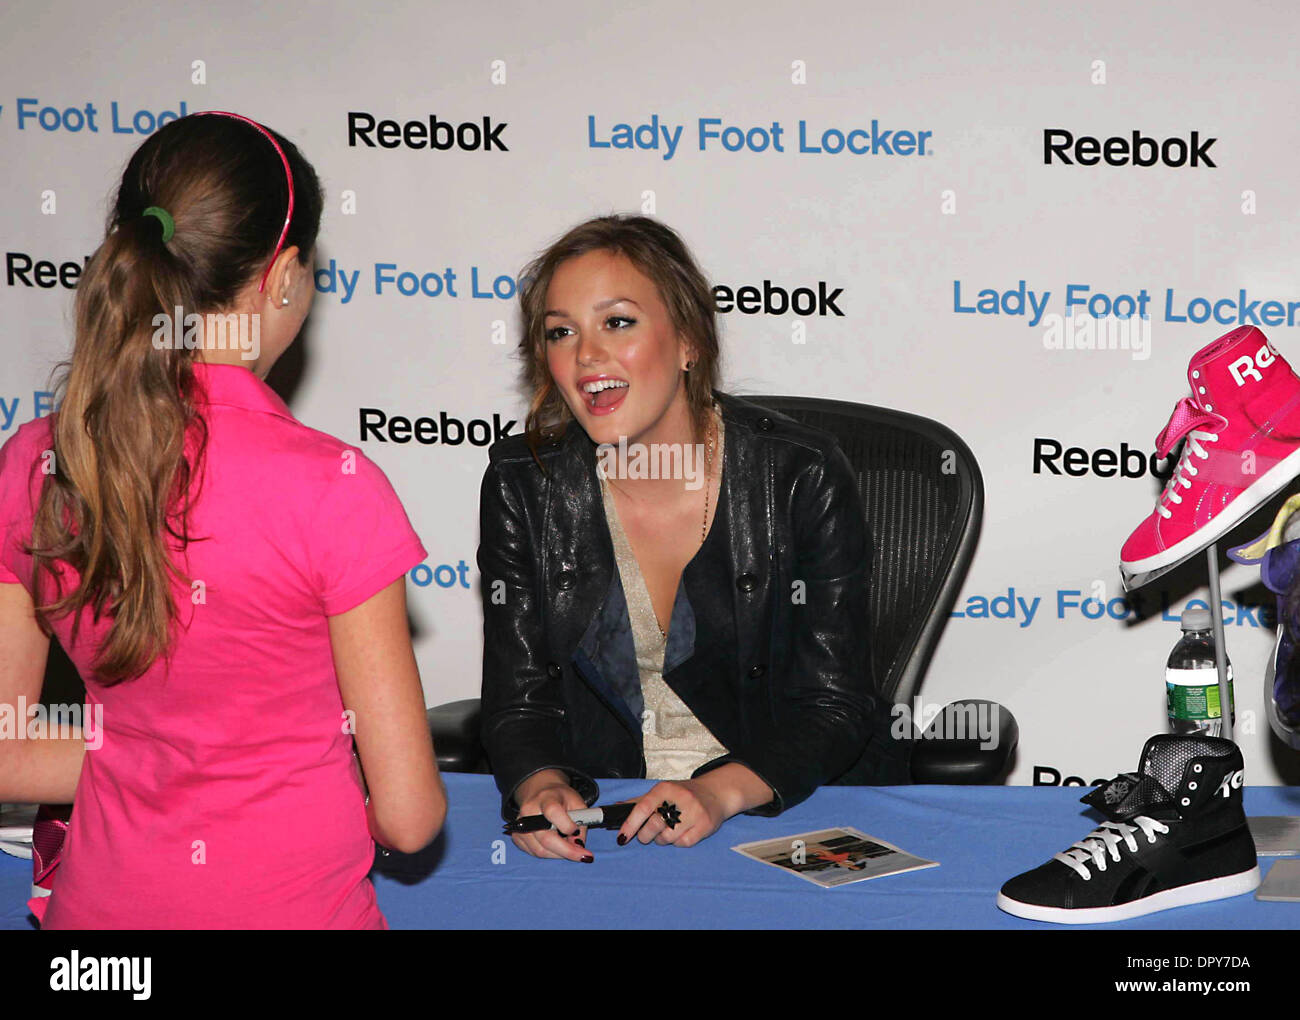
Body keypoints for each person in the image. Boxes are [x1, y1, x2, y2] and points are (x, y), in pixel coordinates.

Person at [0, 112, 444, 928]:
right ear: (281, 278)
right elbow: (410, 816)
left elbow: (6, 750)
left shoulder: (34, 463)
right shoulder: (334, 488)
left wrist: (149, 758)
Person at [479, 214, 907, 862]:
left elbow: (833, 704)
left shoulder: (798, 474)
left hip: (778, 806)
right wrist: (539, 784)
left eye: (617, 322)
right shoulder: (523, 483)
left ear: (687, 341)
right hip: (611, 822)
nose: (586, 354)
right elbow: (519, 701)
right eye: (561, 332)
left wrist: (717, 793)